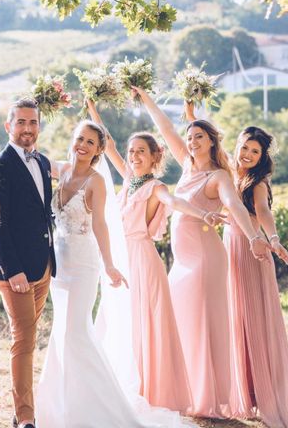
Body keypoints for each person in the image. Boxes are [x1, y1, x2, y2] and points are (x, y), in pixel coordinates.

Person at [135, 87, 271, 418]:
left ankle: (209, 399)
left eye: (199, 137)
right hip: (182, 262)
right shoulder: (185, 165)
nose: (192, 142)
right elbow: (166, 127)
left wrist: (254, 235)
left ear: (211, 141)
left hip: (206, 261)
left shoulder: (219, 176)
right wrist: (144, 98)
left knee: (204, 325)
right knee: (183, 323)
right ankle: (190, 393)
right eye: (190, 137)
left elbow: (234, 205)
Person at [87, 98, 228, 412]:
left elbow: (175, 202)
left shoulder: (155, 186)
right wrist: (94, 112)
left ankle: (154, 392)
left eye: (141, 151)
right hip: (124, 259)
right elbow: (108, 145)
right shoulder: (130, 182)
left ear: (154, 157)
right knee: (124, 322)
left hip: (143, 260)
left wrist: (201, 214)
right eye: (132, 151)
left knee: (144, 323)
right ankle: (129, 383)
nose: (134, 156)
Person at [186, 104, 288, 427]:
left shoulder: (257, 183)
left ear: (262, 157)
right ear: (236, 146)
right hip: (229, 251)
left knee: (254, 322)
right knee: (237, 321)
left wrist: (272, 239)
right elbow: (202, 139)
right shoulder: (227, 172)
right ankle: (245, 394)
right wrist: (193, 114)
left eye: (255, 151)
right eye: (245, 147)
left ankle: (265, 395)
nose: (247, 154)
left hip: (252, 252)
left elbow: (263, 213)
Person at [0, 98, 56, 428]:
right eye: (21, 122)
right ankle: (26, 418)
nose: (27, 129)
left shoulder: (42, 162)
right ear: (8, 126)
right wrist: (12, 270)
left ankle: (19, 411)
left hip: (42, 266)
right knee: (24, 340)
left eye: (33, 123)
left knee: (28, 336)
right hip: (14, 271)